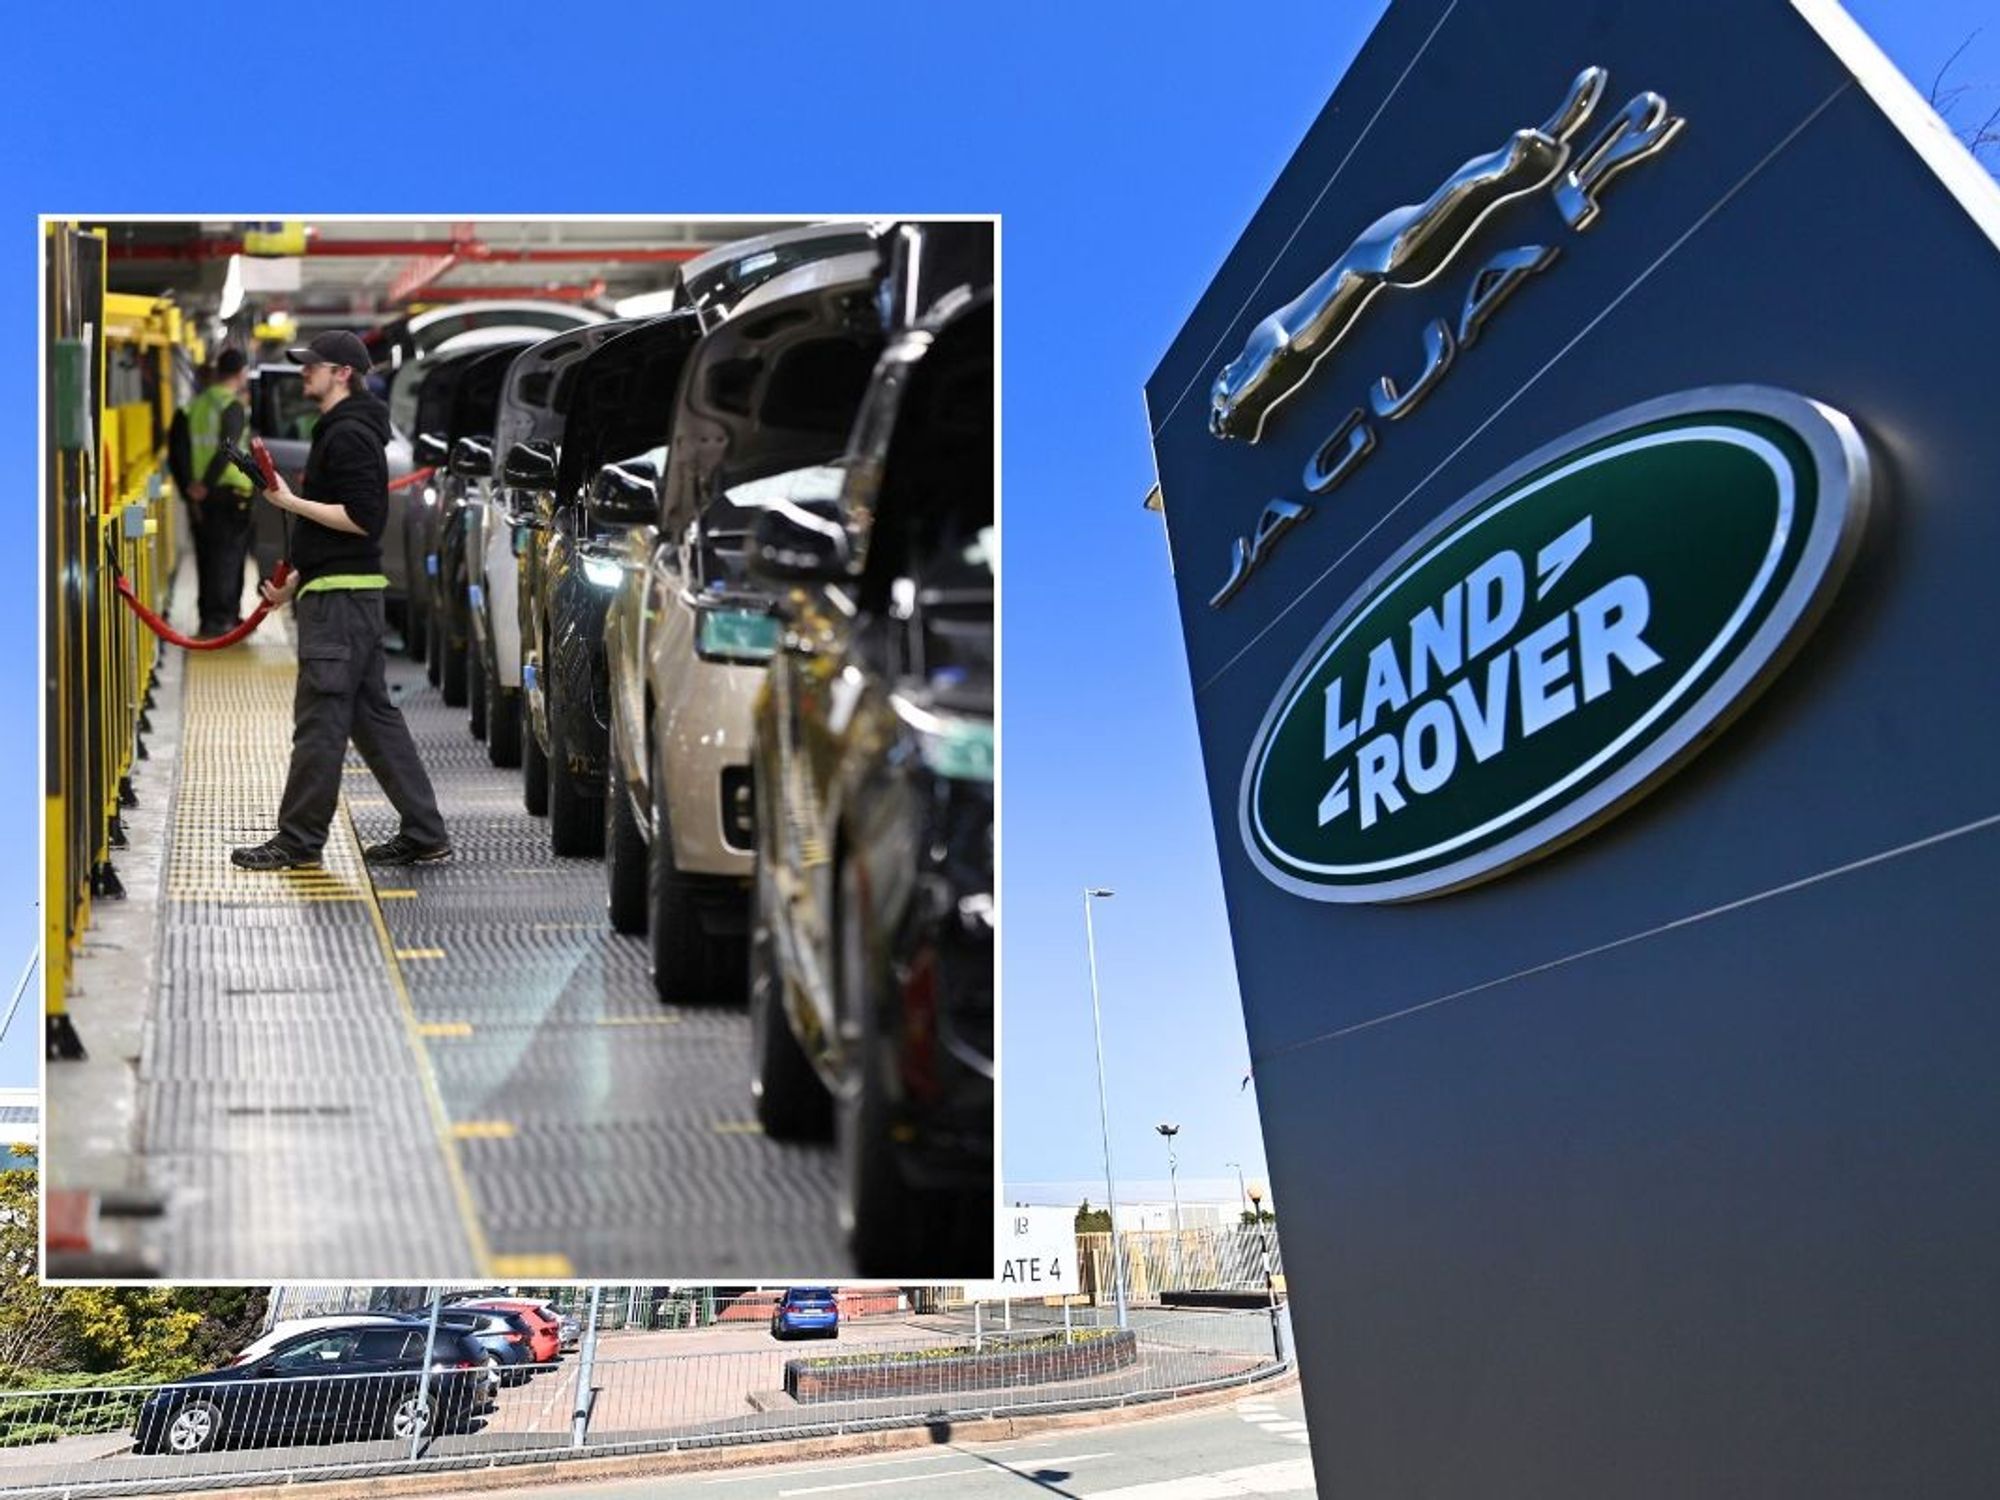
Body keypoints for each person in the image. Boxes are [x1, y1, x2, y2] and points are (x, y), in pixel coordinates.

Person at [230, 330, 451, 872]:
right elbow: (337, 534)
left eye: (315, 365)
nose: (305, 372)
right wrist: (295, 581)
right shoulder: (343, 431)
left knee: (321, 720)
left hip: (342, 605)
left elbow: (361, 519)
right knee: (371, 717)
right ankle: (425, 832)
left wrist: (288, 500)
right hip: (344, 593)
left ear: (343, 373)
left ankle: (298, 841)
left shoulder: (348, 435)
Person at [184, 350, 256, 636]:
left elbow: (186, 446)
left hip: (204, 495)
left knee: (208, 556)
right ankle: (224, 619)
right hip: (229, 491)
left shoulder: (198, 404)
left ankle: (209, 616)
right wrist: (207, 482)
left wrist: (194, 484)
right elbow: (228, 450)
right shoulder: (232, 405)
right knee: (229, 557)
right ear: (240, 373)